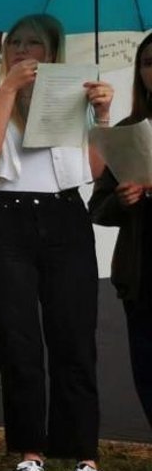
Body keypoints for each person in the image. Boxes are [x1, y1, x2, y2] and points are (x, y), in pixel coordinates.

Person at [0, 14, 111, 471]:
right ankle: (31, 454)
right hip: (7, 221)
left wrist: (102, 116)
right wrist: (7, 93)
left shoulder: (74, 99)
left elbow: (90, 172)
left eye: (36, 44)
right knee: (19, 342)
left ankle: (83, 458)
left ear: (53, 52)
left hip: (66, 217)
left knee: (73, 338)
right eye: (16, 44)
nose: (24, 51)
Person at [89, 32, 152, 438]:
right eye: (147, 62)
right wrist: (124, 199)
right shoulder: (128, 131)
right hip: (142, 271)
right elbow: (98, 208)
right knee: (148, 366)